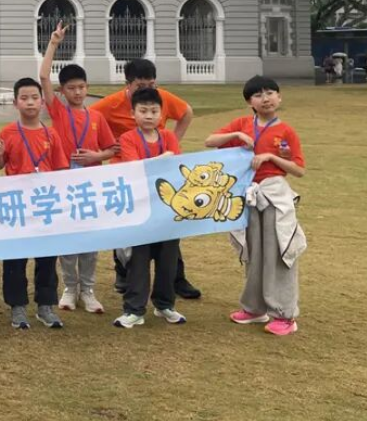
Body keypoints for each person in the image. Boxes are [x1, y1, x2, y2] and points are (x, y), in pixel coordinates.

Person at [204, 76, 306, 336]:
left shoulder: (286, 131)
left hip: (274, 196)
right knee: (253, 253)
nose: (266, 99)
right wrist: (237, 135)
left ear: (279, 97)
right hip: (248, 196)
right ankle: (254, 308)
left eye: (270, 92)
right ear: (250, 102)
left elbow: (298, 169)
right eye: (258, 95)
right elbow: (210, 141)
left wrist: (270, 157)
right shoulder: (242, 124)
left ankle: (284, 314)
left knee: (279, 253)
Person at [91, 58, 201, 300]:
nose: (148, 91)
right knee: (127, 224)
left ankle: (176, 278)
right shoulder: (110, 104)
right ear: (128, 84)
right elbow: (90, 121)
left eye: (152, 85)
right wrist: (106, 148)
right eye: (140, 86)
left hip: (159, 171)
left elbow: (186, 112)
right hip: (126, 172)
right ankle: (123, 271)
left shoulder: (160, 97)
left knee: (166, 223)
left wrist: (173, 141)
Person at [40, 24, 117, 314]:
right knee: (68, 236)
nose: (77, 92)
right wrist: (53, 44)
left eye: (81, 87)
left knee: (89, 238)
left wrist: (96, 155)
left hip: (91, 182)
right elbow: (43, 77)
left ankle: (88, 290)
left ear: (87, 87)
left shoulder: (96, 117)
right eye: (71, 88)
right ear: (62, 91)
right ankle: (70, 288)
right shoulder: (59, 112)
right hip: (63, 180)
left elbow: (112, 149)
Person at [0, 77, 67, 330]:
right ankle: (18, 306)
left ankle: (46, 306)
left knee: (47, 257)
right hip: (16, 204)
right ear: (15, 103)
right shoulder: (8, 132)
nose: (30, 102)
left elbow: (61, 168)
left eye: (34, 97)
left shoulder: (51, 133)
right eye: (24, 98)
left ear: (42, 101)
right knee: (15, 257)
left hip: (44, 203)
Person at [112, 88, 186, 329]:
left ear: (161, 114)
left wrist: (164, 161)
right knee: (138, 260)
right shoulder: (128, 138)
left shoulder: (168, 137)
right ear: (132, 114)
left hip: (166, 209)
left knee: (168, 260)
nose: (149, 116)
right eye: (143, 111)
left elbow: (175, 166)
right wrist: (161, 160)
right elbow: (135, 168)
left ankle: (165, 304)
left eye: (154, 111)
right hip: (140, 209)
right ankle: (134, 309)